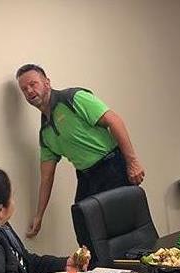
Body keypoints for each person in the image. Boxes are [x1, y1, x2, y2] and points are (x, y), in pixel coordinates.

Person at [15, 63, 146, 238]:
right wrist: (39, 216)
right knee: (85, 228)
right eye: (24, 89)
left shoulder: (73, 98)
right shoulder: (45, 133)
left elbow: (115, 121)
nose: (29, 91)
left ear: (47, 82)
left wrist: (133, 162)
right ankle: (94, 265)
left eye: (33, 84)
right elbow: (46, 177)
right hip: (86, 176)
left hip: (112, 166)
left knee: (122, 229)